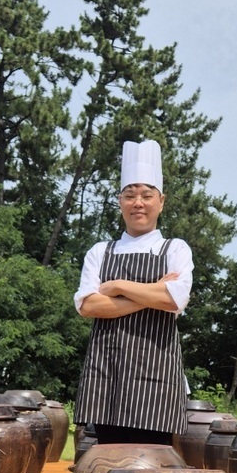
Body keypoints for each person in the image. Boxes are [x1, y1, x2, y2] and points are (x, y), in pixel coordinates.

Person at [73, 139, 192, 445]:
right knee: (108, 467)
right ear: (120, 201)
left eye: (147, 195)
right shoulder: (100, 251)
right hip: (107, 376)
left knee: (155, 469)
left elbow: (173, 299)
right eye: (130, 195)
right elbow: (88, 306)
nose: (138, 202)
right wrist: (152, 292)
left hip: (156, 379)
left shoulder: (175, 248)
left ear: (161, 201)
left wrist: (118, 287)